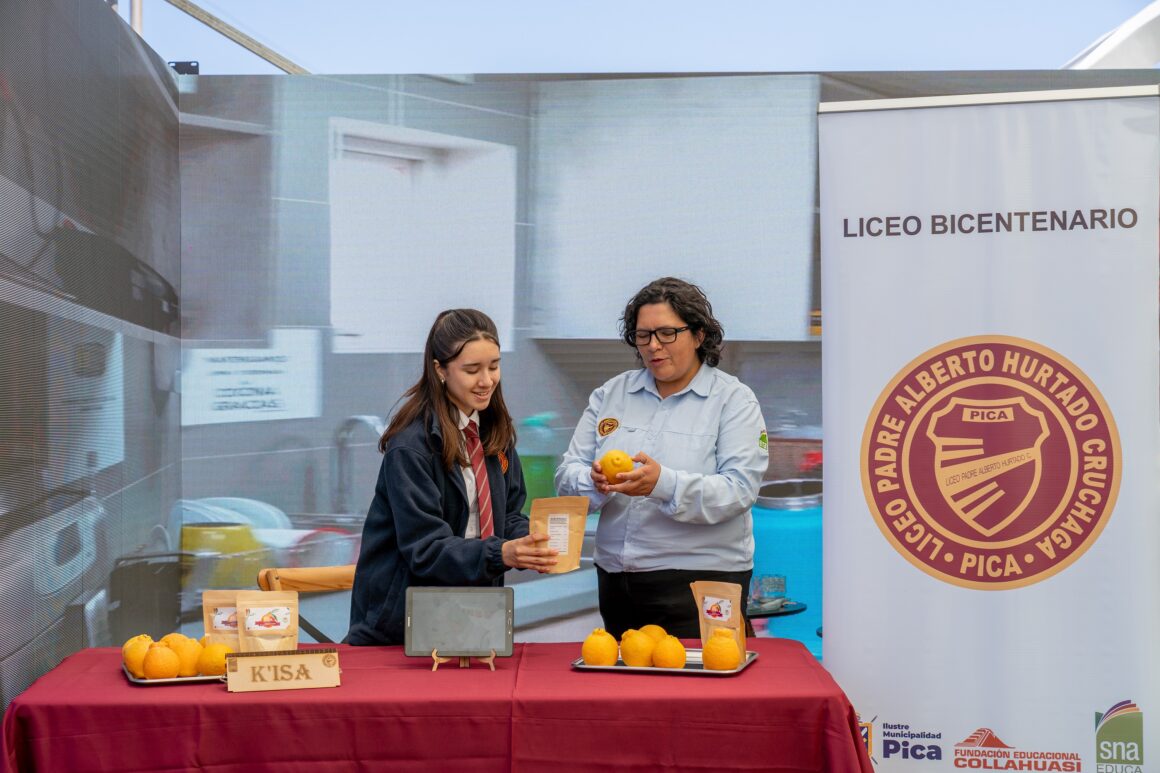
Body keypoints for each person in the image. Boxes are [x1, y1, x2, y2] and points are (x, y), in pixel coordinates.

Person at [555, 277, 768, 639]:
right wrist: (593, 482)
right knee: (626, 690)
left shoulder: (733, 400)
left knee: (704, 691)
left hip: (702, 581)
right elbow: (565, 476)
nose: (654, 346)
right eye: (643, 335)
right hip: (617, 583)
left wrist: (662, 484)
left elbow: (739, 490)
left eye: (667, 333)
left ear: (699, 335)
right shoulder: (611, 394)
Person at [348, 308, 556, 646]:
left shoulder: (493, 433)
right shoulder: (412, 448)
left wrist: (532, 538)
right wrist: (502, 554)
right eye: (472, 370)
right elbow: (426, 550)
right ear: (440, 370)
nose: (487, 380)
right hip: (402, 630)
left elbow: (508, 516)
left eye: (494, 366)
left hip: (471, 617)